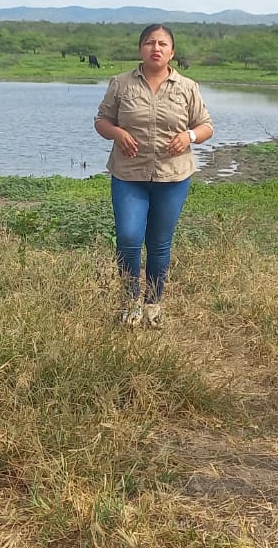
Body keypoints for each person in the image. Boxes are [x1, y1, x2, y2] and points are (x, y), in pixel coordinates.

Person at [93, 24, 214, 328]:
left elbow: (206, 126)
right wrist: (117, 132)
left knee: (159, 243)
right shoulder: (121, 84)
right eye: (149, 43)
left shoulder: (187, 87)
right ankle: (130, 301)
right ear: (141, 49)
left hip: (173, 177)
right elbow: (101, 121)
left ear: (172, 52)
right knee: (128, 238)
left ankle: (153, 303)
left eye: (162, 44)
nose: (155, 48)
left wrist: (189, 136)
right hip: (128, 175)